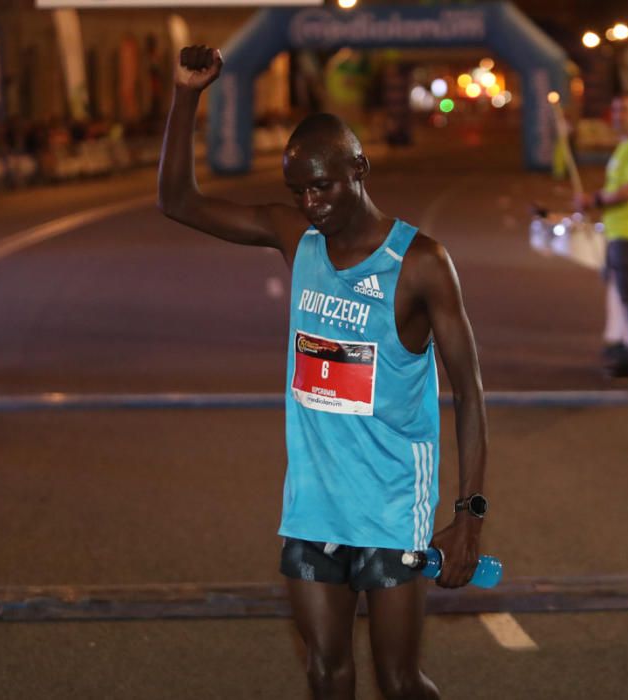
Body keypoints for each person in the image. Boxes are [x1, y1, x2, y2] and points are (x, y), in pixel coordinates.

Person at [158, 45, 488, 700]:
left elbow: (468, 391)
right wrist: (186, 95)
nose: (311, 202)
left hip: (392, 505)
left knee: (397, 682)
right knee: (324, 672)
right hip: (312, 505)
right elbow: (177, 201)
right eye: (298, 191)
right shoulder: (296, 239)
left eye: (323, 185)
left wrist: (468, 514)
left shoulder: (419, 262)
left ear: (358, 168)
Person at [576, 94, 628, 377]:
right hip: (620, 233)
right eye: (614, 109)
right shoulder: (624, 148)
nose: (618, 115)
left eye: (624, 109)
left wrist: (595, 199)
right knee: (625, 297)